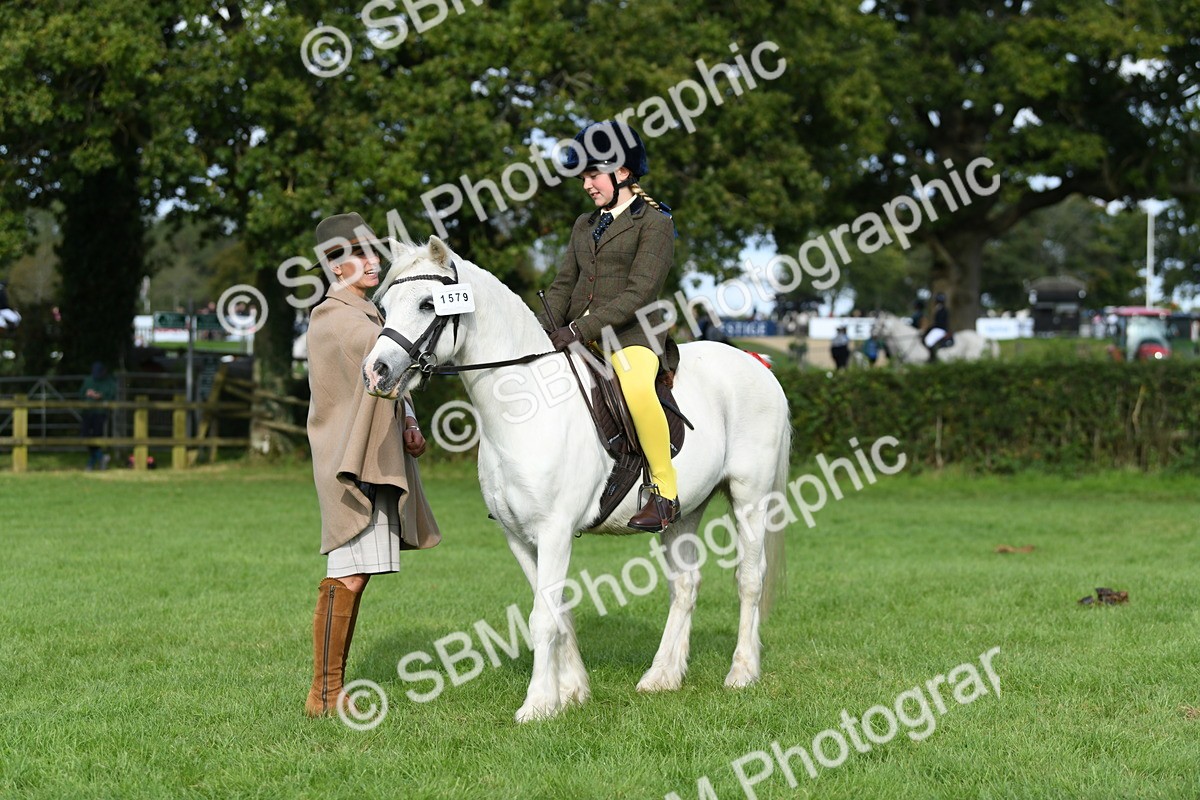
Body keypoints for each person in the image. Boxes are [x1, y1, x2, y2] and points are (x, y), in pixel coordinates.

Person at [303, 212, 441, 717]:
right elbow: (382, 358)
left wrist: (410, 421)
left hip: (373, 458)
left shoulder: (368, 314)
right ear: (335, 267)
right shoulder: (335, 318)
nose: (372, 261)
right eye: (358, 254)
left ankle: (328, 689)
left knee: (358, 576)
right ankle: (322, 693)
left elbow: (388, 375)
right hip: (350, 465)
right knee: (348, 575)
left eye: (372, 251)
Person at [544, 120, 680, 532]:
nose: (586, 184)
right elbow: (563, 285)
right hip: (580, 334)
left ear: (622, 172)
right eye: (583, 176)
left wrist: (579, 330)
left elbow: (639, 293)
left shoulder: (655, 223)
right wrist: (541, 328)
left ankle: (664, 492)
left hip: (632, 335)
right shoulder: (584, 224)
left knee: (636, 389)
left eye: (592, 175)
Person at [81, 362, 117, 470]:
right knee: (85, 436)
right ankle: (101, 457)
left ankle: (91, 464)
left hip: (100, 412)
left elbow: (110, 395)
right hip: (87, 411)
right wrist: (87, 394)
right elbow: (81, 393)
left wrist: (100, 396)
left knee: (96, 436)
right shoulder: (88, 380)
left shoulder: (109, 382)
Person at [923, 293, 953, 361]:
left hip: (940, 329)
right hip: (937, 329)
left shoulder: (943, 310)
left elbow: (940, 323)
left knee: (928, 341)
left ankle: (932, 358)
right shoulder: (939, 309)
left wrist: (931, 327)